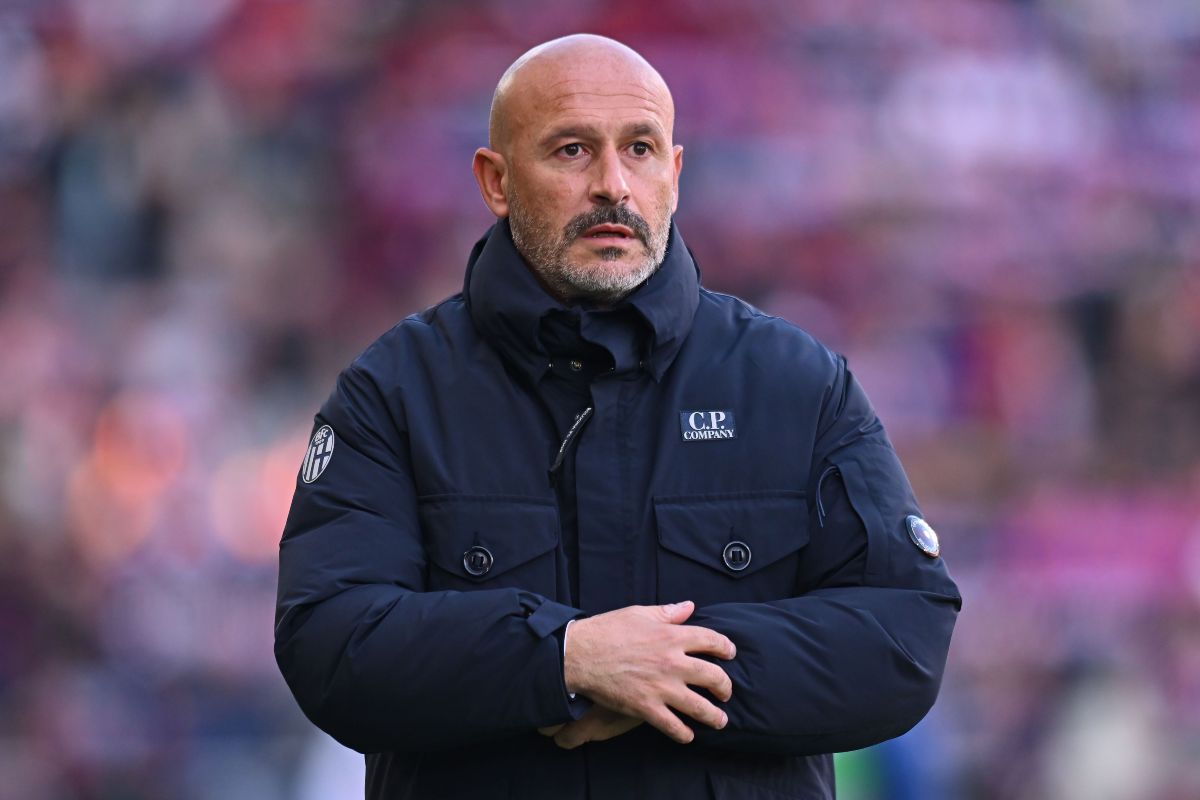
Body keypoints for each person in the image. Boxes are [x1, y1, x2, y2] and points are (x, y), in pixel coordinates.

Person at [274, 33, 961, 800]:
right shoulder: (393, 392)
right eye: (571, 151)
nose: (612, 185)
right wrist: (563, 660)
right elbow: (330, 642)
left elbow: (905, 635)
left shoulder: (798, 385)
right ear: (495, 182)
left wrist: (663, 672)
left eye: (639, 149)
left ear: (674, 172)